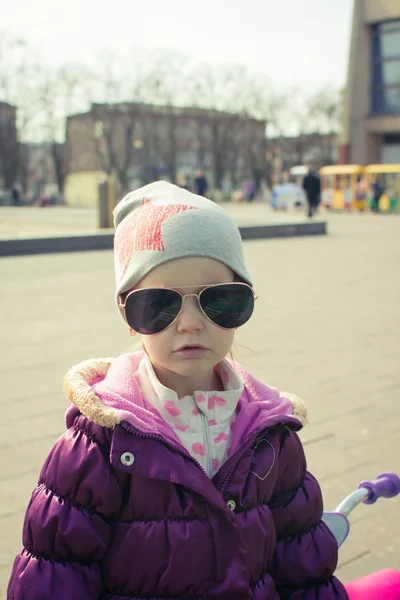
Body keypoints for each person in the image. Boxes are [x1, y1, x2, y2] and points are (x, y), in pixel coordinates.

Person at [7, 181, 348, 600]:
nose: (189, 323)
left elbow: (304, 567)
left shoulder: (272, 433)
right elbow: (56, 573)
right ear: (127, 315)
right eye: (158, 304)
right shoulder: (97, 444)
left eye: (220, 300)